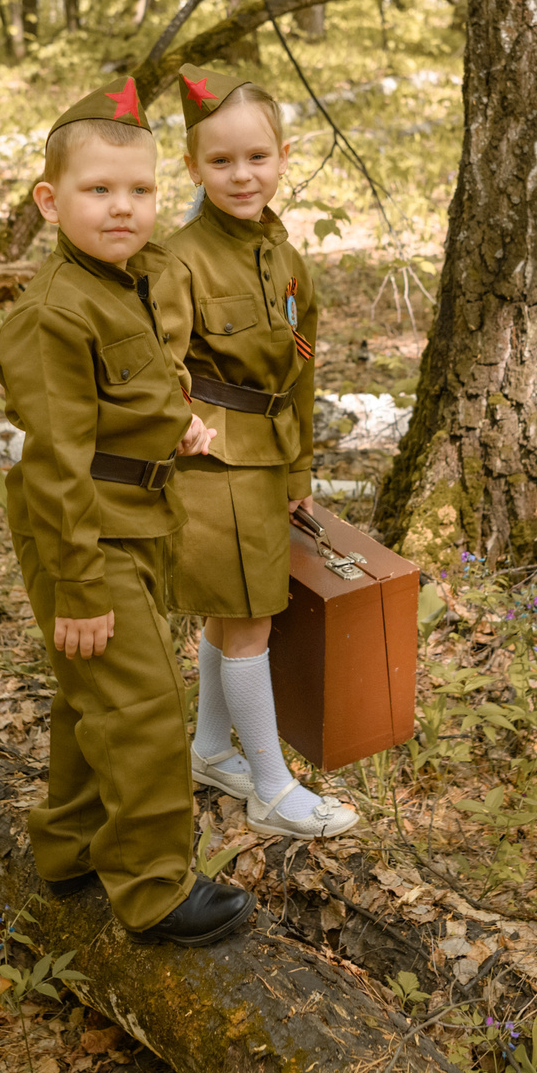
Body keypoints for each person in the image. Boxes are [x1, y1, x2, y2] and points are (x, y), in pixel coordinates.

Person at [0, 79, 254, 945]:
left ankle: (68, 850)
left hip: (139, 516)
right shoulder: (51, 314)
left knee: (90, 694)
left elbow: (133, 390)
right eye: (97, 190)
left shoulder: (131, 281)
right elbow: (60, 459)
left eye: (138, 190)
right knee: (139, 703)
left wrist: (171, 427)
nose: (122, 208)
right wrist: (75, 587)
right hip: (84, 531)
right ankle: (152, 888)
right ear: (49, 200)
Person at [162, 65, 359, 840]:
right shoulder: (180, 259)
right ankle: (272, 788)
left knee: (231, 617)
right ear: (192, 167)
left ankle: (212, 750)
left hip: (268, 456)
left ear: (283, 155)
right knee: (249, 622)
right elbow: (161, 361)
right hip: (213, 463)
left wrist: (300, 467)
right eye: (220, 162)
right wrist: (177, 417)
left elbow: (301, 365)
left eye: (256, 158)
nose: (241, 176)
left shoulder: (282, 254)